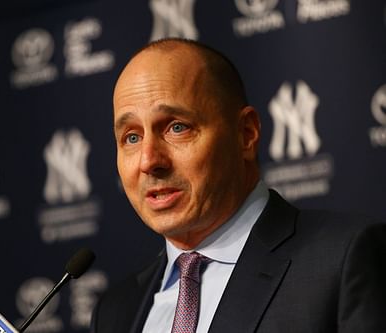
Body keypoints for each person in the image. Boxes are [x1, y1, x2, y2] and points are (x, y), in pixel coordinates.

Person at [90, 38, 386, 333]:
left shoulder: (343, 260)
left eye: (177, 127)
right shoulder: (116, 311)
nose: (149, 161)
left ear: (246, 134)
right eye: (131, 137)